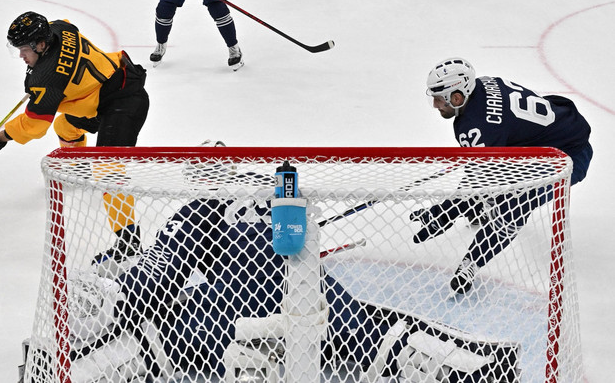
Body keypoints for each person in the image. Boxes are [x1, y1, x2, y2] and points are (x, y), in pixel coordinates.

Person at [48, 193, 519, 381]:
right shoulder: (281, 198)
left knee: (153, 332)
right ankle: (477, 364)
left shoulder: (191, 213)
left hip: (226, 311)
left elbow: (158, 277)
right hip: (306, 297)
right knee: (382, 328)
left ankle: (76, 367)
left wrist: (125, 287)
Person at [0, 12, 149, 263]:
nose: (21, 56)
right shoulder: (59, 29)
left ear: (41, 45)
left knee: (108, 170)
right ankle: (80, 172)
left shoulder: (47, 78)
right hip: (102, 94)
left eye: (23, 50)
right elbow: (68, 27)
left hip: (125, 100)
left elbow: (35, 125)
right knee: (66, 126)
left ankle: (129, 243)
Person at [416, 57, 593, 293]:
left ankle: (472, 262)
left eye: (439, 99)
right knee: (492, 187)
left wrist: (442, 213)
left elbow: (476, 180)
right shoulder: (483, 83)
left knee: (513, 205)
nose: (436, 105)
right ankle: (478, 209)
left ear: (457, 97)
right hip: (555, 130)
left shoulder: (475, 127)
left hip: (568, 156)